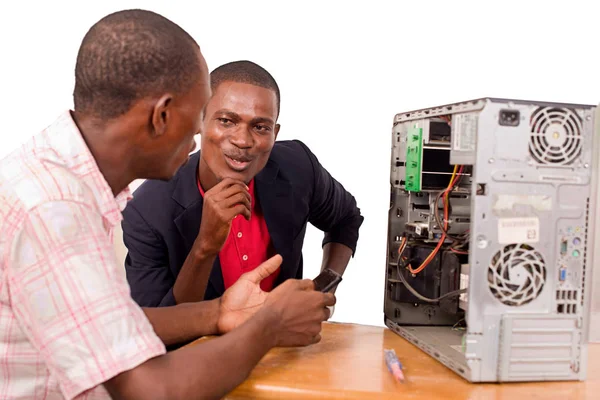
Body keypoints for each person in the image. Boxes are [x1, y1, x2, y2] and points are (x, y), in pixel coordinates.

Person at [0, 9, 334, 400]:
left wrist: (218, 312)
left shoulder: (55, 172)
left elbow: (103, 325)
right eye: (198, 118)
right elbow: (149, 390)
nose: (199, 138)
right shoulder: (55, 210)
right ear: (160, 116)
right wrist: (268, 326)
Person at [122, 60, 363, 325]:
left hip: (286, 350)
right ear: (199, 121)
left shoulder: (298, 167)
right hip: (200, 358)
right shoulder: (146, 212)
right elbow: (154, 330)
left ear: (275, 133)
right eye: (226, 121)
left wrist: (324, 288)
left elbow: (346, 218)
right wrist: (205, 246)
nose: (243, 141)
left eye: (260, 127)